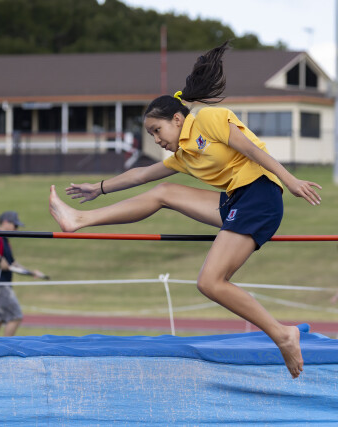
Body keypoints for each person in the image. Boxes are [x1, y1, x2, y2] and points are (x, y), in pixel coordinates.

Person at [48, 41, 322, 379]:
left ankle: (282, 334)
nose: (156, 140)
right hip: (235, 201)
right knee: (164, 192)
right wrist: (99, 188)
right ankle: (80, 219)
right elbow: (141, 175)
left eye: (157, 130)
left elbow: (253, 150)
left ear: (177, 119)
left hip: (260, 195)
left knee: (210, 282)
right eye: (151, 135)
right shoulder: (183, 156)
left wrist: (290, 180)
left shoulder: (207, 119)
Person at [0, 211, 46, 337]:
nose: (16, 229)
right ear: (5, 222)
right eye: (15, 225)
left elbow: (13, 264)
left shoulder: (5, 241)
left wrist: (31, 273)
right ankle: (6, 345)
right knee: (16, 316)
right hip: (0, 286)